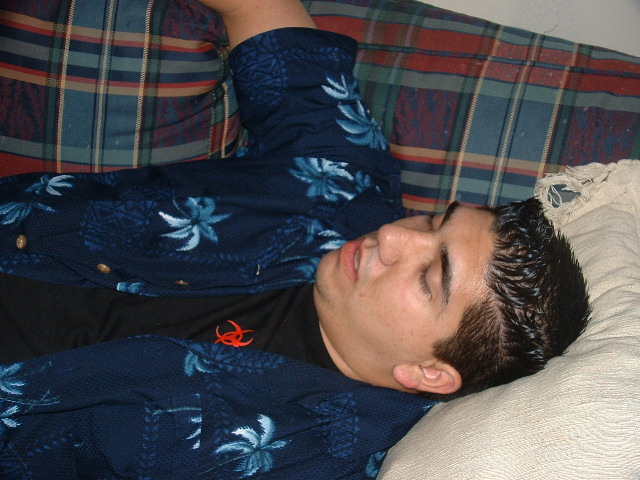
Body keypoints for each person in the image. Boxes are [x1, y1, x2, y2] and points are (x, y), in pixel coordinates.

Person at [0, 0, 589, 402]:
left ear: (429, 373)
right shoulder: (341, 180)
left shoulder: (312, 449)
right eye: (435, 221)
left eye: (430, 276)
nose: (394, 235)